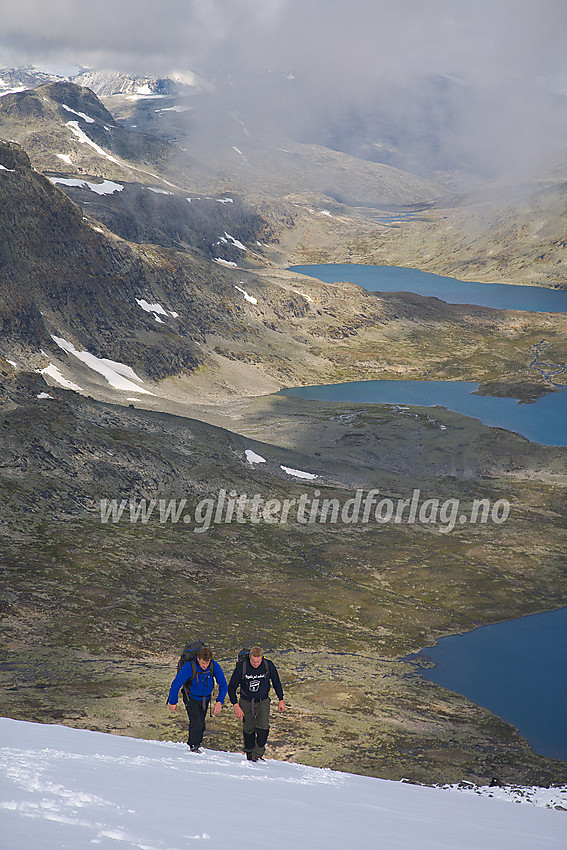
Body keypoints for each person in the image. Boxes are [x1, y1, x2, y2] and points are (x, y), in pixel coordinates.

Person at [228, 646, 285, 762]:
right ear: (249, 657)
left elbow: (276, 682)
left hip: (263, 701)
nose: (255, 664)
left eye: (258, 661)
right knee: (248, 729)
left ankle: (258, 754)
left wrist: (281, 699)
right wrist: (235, 705)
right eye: (253, 661)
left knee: (263, 728)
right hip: (245, 702)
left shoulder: (268, 665)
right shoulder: (242, 667)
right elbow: (232, 687)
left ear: (262, 658)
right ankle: (250, 754)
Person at [167, 646, 228, 752]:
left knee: (201, 724)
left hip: (205, 699)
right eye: (203, 663)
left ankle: (195, 744)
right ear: (198, 659)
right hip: (191, 698)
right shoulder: (189, 667)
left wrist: (219, 701)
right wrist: (173, 701)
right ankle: (193, 746)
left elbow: (223, 684)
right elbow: (176, 684)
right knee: (196, 722)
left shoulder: (214, 665)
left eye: (207, 663)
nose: (205, 666)